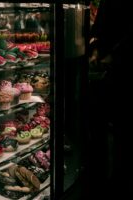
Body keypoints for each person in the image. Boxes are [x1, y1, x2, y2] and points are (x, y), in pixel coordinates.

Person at [89, 0, 133, 198]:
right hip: (118, 66)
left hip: (120, 69)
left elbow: (102, 28)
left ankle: (109, 183)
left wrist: (99, 50)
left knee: (110, 126)